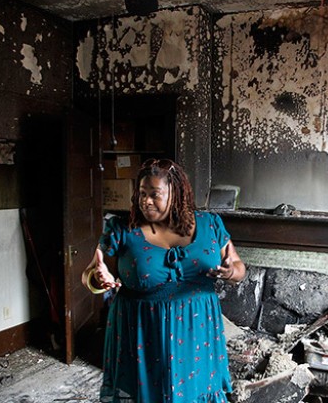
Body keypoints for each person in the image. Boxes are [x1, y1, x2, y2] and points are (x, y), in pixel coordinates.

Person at [82, 158, 246, 403]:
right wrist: (98, 276)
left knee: (195, 392)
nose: (146, 201)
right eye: (142, 193)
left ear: (176, 193)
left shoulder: (210, 225)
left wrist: (232, 271)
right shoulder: (122, 229)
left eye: (155, 194)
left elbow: (238, 267)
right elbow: (90, 275)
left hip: (198, 333)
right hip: (143, 333)